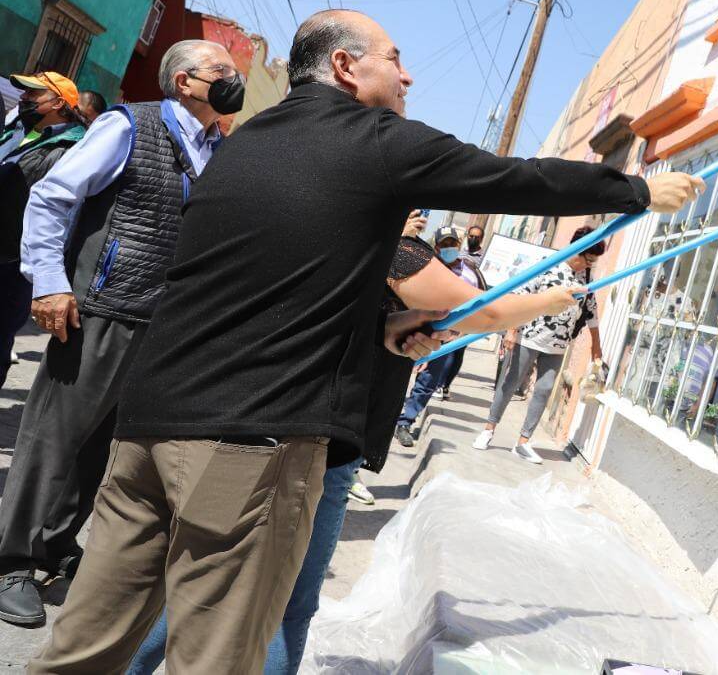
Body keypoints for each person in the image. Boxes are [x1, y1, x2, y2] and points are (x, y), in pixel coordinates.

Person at [30, 8, 703, 673]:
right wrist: (636, 189)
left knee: (82, 649)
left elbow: (265, 286)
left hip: (146, 429)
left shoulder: (244, 144)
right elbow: (514, 178)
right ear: (346, 67)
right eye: (395, 58)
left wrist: (381, 329)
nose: (409, 75)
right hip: (248, 443)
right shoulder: (375, 139)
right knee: (215, 659)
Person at [128, 228, 582, 675]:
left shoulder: (316, 233)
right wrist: (553, 300)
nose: (422, 215)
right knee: (286, 603)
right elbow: (479, 312)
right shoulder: (392, 249)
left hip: (253, 423)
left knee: (199, 582)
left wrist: (403, 331)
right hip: (325, 442)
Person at [0, 42, 241, 628]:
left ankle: (55, 547)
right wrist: (51, 283)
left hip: (161, 323)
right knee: (54, 437)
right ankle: (10, 560)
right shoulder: (127, 124)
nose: (232, 81)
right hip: (99, 309)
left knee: (103, 448)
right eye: (222, 73)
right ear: (184, 81)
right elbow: (54, 195)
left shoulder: (217, 147)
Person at [474, 225, 607, 465]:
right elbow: (521, 296)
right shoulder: (549, 265)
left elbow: (592, 314)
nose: (589, 265)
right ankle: (488, 429)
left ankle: (523, 442)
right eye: (588, 259)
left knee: (544, 389)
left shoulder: (586, 278)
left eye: (593, 263)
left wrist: (596, 347)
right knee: (510, 382)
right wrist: (512, 331)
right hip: (530, 336)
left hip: (557, 345)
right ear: (577, 250)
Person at [0, 72, 86, 390]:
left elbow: (60, 212)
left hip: (13, 261)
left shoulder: (72, 147)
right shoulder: (17, 129)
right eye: (24, 93)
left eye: (33, 95)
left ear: (58, 103)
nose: (23, 99)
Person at [394, 226, 486, 446]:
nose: (449, 249)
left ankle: (405, 422)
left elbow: (481, 300)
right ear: (436, 247)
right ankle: (387, 416)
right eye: (444, 245)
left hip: (451, 336)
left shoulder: (471, 270)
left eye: (452, 244)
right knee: (397, 376)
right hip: (419, 330)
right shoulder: (428, 268)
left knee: (429, 381)